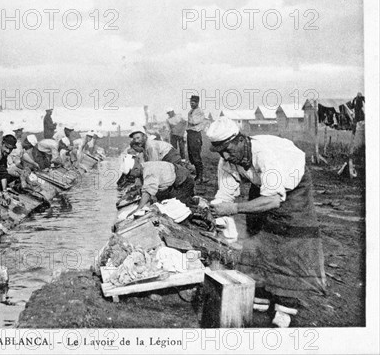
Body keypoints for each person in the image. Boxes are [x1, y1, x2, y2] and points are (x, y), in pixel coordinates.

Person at [206, 116, 326, 327]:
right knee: (255, 234)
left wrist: (234, 208)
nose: (225, 155)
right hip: (263, 184)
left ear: (240, 140)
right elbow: (224, 195)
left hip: (292, 185)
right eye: (220, 151)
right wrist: (217, 212)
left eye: (228, 149)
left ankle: (285, 306)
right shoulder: (227, 160)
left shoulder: (265, 154)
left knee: (291, 239)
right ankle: (260, 292)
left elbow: (272, 199)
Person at [119, 154, 196, 215]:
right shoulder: (143, 167)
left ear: (136, 169)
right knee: (161, 198)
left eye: (130, 174)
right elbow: (145, 186)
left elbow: (147, 193)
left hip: (184, 181)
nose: (130, 177)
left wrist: (138, 209)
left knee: (178, 207)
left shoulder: (148, 173)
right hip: (178, 176)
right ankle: (191, 200)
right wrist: (134, 193)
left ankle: (197, 210)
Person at [187, 95, 208, 184]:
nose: (192, 104)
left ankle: (201, 177)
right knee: (191, 156)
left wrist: (190, 120)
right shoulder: (191, 111)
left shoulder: (199, 112)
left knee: (196, 156)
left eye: (193, 102)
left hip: (195, 135)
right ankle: (198, 175)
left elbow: (193, 122)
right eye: (191, 102)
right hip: (190, 134)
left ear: (197, 103)